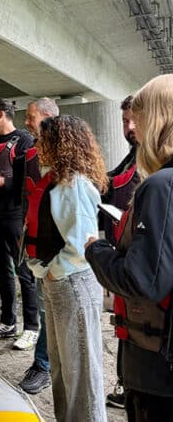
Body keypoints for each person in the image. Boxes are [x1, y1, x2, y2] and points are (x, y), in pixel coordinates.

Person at [87, 77, 173, 421]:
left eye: (140, 117)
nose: (132, 127)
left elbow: (144, 280)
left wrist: (98, 249)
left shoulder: (161, 186)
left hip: (158, 373)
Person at [26, 115, 107, 422]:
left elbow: (80, 247)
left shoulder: (74, 185)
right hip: (58, 282)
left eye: (42, 140)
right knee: (63, 370)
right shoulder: (55, 181)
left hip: (73, 282)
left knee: (82, 374)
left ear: (59, 144)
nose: (37, 145)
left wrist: (51, 272)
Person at [0, 99, 39, 342]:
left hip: (15, 215)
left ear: (1, 114)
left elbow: (28, 179)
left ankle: (31, 328)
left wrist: (3, 182)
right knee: (2, 270)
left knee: (24, 272)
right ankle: (7, 323)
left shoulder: (23, 141)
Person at [16, 97, 60, 394]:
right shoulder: (36, 151)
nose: (26, 121)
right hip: (37, 247)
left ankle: (43, 366)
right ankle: (46, 364)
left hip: (56, 254)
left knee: (49, 312)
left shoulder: (65, 156)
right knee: (46, 310)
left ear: (46, 117)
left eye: (30, 116)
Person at [99, 95, 140, 409]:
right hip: (124, 258)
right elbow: (113, 180)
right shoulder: (132, 158)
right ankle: (127, 385)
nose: (129, 128)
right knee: (125, 329)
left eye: (134, 120)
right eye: (124, 121)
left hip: (141, 267)